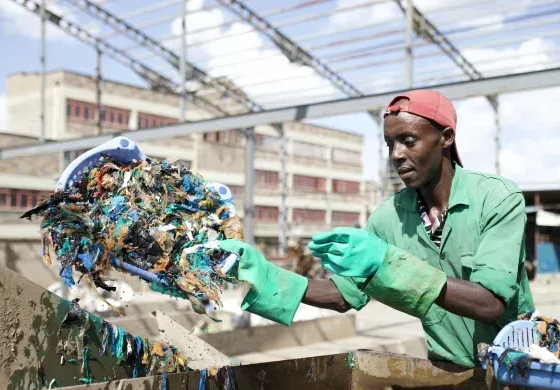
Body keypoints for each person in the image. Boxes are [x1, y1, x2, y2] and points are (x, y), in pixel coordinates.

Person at [220, 89, 534, 369]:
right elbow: (343, 295)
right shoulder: (389, 217)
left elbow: (490, 304)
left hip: (519, 369)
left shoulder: (496, 199)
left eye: (409, 141)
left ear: (446, 138)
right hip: (448, 368)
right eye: (389, 143)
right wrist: (263, 273)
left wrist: (390, 266)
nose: (396, 154)